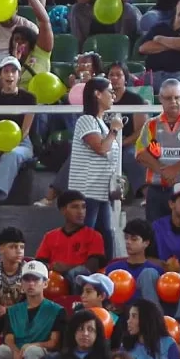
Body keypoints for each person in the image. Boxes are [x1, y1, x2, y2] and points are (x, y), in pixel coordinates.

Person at [136, 79, 180, 222]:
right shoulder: (151, 124)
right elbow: (140, 152)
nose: (173, 101)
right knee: (155, 236)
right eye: (168, 98)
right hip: (156, 190)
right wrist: (163, 171)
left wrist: (175, 169)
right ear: (160, 99)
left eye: (177, 97)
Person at [69, 77, 123, 261]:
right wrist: (114, 130)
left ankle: (105, 275)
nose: (113, 94)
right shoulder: (86, 120)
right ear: (97, 94)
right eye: (109, 91)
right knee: (86, 238)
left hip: (101, 192)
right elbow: (101, 148)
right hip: (86, 191)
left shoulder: (100, 123)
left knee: (106, 238)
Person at [0, 56, 35, 206]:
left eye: (14, 71)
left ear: (19, 75)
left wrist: (10, 144)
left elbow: (25, 129)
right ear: (0, 75)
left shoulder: (29, 98)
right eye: (6, 71)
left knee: (11, 154)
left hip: (21, 141)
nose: (10, 75)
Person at [71, 0, 141, 51]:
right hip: (93, 11)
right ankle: (82, 52)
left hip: (117, 9)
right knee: (77, 10)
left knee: (129, 10)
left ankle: (125, 50)